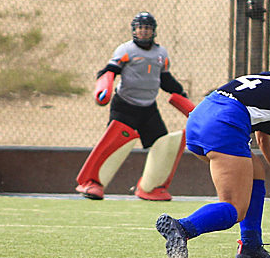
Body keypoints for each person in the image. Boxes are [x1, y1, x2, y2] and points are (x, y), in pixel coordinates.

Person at [155, 45, 270, 258]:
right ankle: (182, 228)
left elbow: (263, 140)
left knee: (255, 171)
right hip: (225, 123)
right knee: (235, 207)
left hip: (200, 117)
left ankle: (251, 246)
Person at [75, 12, 190, 201]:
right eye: (140, 28)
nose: (144, 32)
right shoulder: (125, 50)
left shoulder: (161, 53)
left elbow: (165, 79)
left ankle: (150, 188)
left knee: (162, 145)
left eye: (148, 28)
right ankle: (91, 183)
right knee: (113, 144)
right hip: (124, 106)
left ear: (153, 31)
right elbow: (109, 71)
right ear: (134, 30)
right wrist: (104, 87)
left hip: (148, 108)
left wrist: (181, 95)